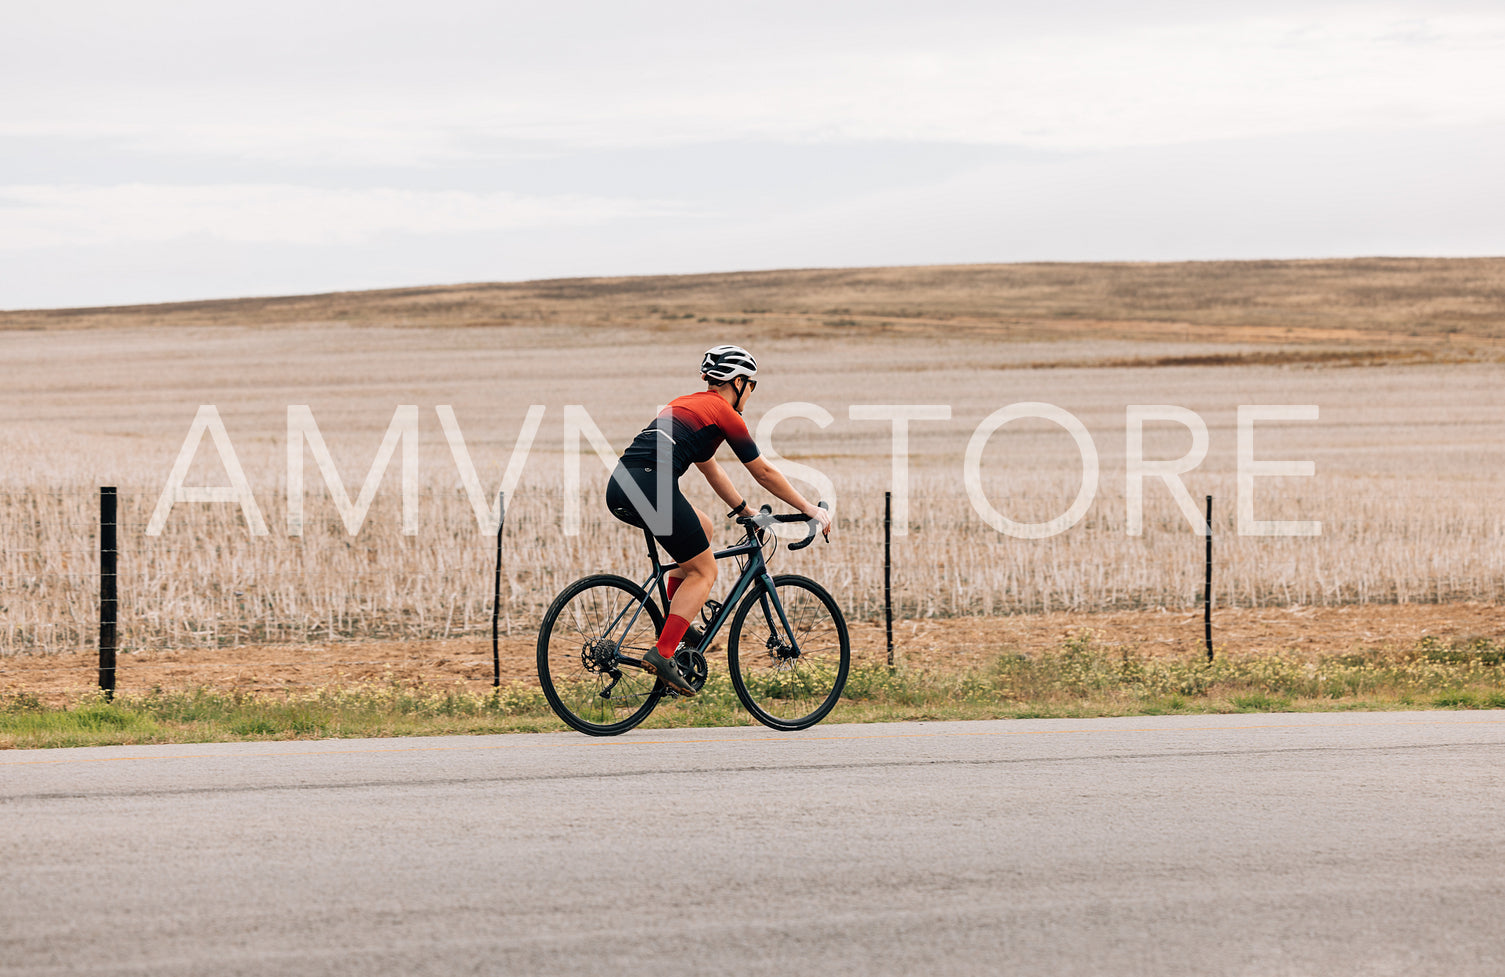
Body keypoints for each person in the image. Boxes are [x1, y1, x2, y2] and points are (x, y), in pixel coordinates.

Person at [605, 344, 832, 695]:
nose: (752, 392)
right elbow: (764, 472)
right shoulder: (724, 413)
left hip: (620, 485)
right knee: (705, 571)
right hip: (651, 487)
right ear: (738, 382)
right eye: (752, 385)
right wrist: (810, 509)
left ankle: (675, 627)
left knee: (704, 528)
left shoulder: (686, 405)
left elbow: (711, 470)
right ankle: (664, 653)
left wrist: (746, 511)